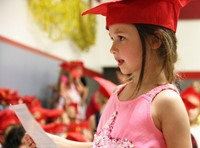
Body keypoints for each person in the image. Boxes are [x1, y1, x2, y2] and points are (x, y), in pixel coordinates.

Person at [23, 0, 192, 147]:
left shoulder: (167, 102)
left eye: (121, 37)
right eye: (112, 38)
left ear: (155, 40)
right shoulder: (117, 94)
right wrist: (55, 142)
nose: (112, 49)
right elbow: (101, 145)